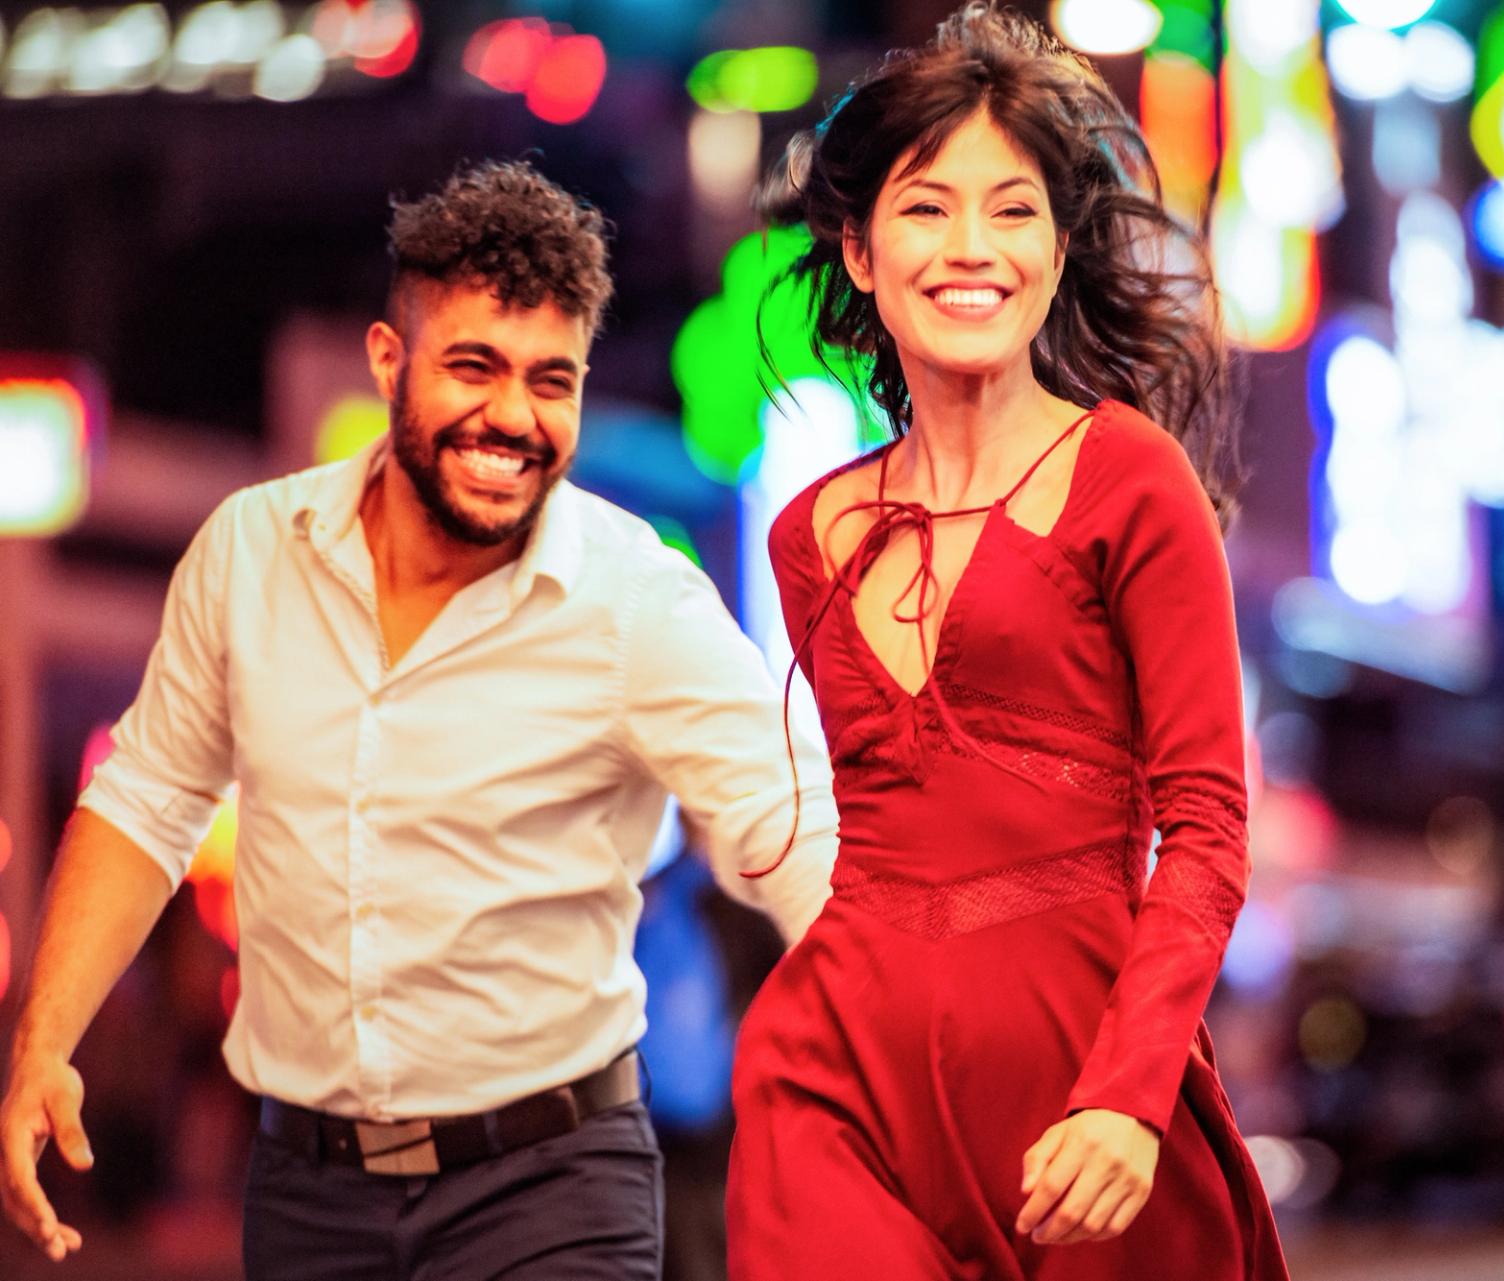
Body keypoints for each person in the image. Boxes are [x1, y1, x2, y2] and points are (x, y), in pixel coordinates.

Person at [0, 160, 837, 1280]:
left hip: (555, 1190)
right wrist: (44, 1039)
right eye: (474, 367)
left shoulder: (637, 599)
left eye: (552, 379)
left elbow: (800, 835)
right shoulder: (251, 554)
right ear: (390, 361)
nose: (512, 416)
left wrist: (908, 1088)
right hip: (306, 1192)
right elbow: (146, 802)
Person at [725, 6, 1287, 1277]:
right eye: (927, 209)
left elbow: (1205, 829)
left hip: (1086, 1116)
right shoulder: (810, 533)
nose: (970, 247)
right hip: (835, 1095)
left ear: (1054, 249)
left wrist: (1131, 1092)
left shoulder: (1133, 480)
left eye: (1013, 209)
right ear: (861, 254)